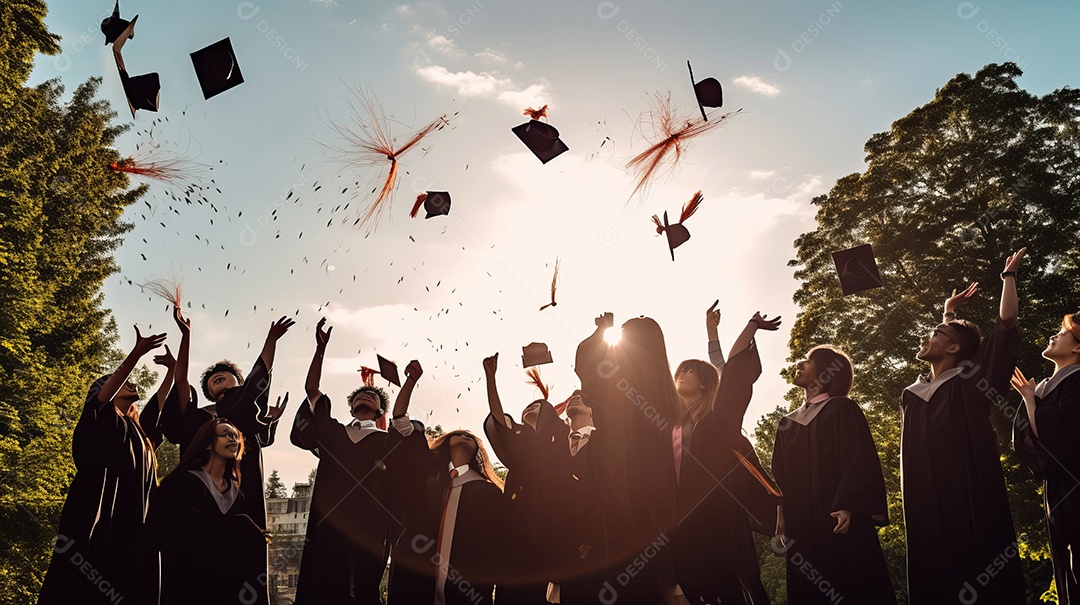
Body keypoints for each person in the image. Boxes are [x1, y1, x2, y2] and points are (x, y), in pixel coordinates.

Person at [900, 248, 1026, 604]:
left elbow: (1004, 329)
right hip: (922, 502)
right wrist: (947, 313)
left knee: (974, 569)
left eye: (935, 333)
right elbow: (943, 351)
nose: (926, 338)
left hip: (967, 499)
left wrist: (1009, 276)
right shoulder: (914, 393)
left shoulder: (972, 382)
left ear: (953, 346)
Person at [158, 311, 293, 605]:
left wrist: (271, 341)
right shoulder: (197, 417)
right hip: (201, 500)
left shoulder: (244, 412)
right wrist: (186, 335)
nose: (217, 378)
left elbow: (258, 383)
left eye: (226, 375)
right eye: (212, 380)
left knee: (244, 566)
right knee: (197, 569)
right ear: (208, 390)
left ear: (238, 383)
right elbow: (181, 380)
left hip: (242, 499)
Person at [289, 318, 419, 605]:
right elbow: (312, 390)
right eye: (361, 395)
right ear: (351, 405)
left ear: (378, 409)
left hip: (370, 528)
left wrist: (410, 381)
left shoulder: (386, 441)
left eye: (372, 396)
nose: (365, 397)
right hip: (328, 526)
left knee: (362, 591)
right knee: (322, 587)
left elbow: (401, 420)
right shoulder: (333, 433)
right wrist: (319, 350)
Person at [37, 326, 166, 605]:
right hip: (99, 515)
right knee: (88, 580)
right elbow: (104, 395)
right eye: (121, 383)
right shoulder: (103, 420)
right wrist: (136, 353)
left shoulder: (140, 434)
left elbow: (163, 399)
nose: (131, 384)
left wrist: (173, 367)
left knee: (130, 582)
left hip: (136, 521)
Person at [670, 309, 780, 604]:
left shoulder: (718, 420)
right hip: (683, 522)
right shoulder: (674, 426)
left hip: (721, 518)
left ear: (705, 383)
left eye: (689, 371)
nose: (680, 375)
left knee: (733, 588)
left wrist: (751, 326)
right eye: (678, 371)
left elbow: (730, 372)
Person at [772, 345, 895, 604]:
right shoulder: (787, 423)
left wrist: (846, 504)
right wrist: (782, 515)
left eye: (808, 361)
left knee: (850, 585)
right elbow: (780, 475)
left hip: (837, 519)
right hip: (802, 524)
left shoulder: (841, 409)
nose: (800, 364)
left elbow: (856, 461)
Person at [574, 313, 679, 604]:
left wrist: (601, 331)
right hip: (657, 501)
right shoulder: (668, 399)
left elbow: (586, 368)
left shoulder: (618, 390)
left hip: (621, 496)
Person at [152, 417, 269, 605]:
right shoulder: (184, 483)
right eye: (225, 435)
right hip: (191, 585)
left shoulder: (236, 495)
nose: (233, 440)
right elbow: (179, 540)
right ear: (208, 444)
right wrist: (241, 526)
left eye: (235, 436)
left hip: (227, 588)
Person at [388, 426, 506, 605]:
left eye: (469, 436)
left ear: (476, 452)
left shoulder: (487, 492)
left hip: (466, 586)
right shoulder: (426, 480)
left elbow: (496, 541)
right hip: (419, 583)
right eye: (458, 434)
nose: (464, 436)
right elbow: (406, 444)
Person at [482, 354, 563, 605]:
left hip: (554, 527)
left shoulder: (563, 437)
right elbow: (497, 417)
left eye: (536, 406)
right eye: (526, 407)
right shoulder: (521, 439)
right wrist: (490, 378)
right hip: (518, 529)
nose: (528, 408)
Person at [1012, 312, 1080, 604]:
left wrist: (1029, 399)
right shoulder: (1046, 386)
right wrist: (1030, 395)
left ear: (1078, 347)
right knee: (1065, 562)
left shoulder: (1077, 382)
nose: (1054, 335)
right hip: (1058, 487)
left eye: (1062, 332)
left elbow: (1054, 436)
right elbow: (1031, 438)